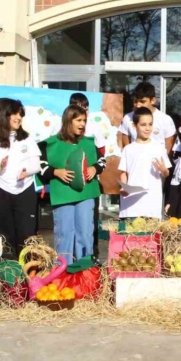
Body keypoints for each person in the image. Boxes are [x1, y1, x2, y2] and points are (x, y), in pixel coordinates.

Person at [38, 105, 105, 263]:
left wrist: (95, 168)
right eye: (78, 120)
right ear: (69, 121)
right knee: (64, 233)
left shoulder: (88, 142)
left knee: (85, 232)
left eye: (84, 120)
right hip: (63, 196)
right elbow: (39, 165)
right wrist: (55, 172)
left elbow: (102, 160)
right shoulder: (51, 144)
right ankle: (62, 271)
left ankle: (85, 268)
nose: (82, 124)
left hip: (86, 194)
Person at [0, 99, 40, 260]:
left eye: (20, 114)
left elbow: (36, 165)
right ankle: (8, 275)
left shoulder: (27, 139)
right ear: (3, 116)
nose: (18, 117)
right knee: (2, 236)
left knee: (26, 234)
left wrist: (26, 172)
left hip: (24, 190)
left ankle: (28, 276)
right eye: (14, 113)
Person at [69, 92, 108, 257]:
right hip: (68, 185)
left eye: (85, 107)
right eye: (78, 107)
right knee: (70, 225)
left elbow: (102, 157)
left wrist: (94, 169)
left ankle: (92, 256)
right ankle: (69, 258)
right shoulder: (60, 127)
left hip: (89, 184)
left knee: (90, 223)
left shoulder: (94, 129)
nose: (82, 111)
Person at [118, 107, 172, 219]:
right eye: (143, 125)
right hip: (131, 204)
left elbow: (166, 173)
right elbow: (124, 172)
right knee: (131, 235)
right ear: (134, 126)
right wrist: (124, 187)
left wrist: (163, 170)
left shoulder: (158, 148)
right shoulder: (128, 149)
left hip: (151, 203)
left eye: (150, 124)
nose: (147, 128)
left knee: (150, 236)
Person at [118, 82, 176, 153]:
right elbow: (126, 144)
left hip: (158, 162)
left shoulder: (165, 119)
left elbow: (169, 148)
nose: (138, 105)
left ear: (153, 100)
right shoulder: (127, 118)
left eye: (142, 101)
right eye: (135, 101)